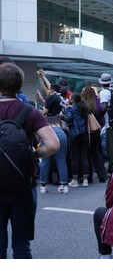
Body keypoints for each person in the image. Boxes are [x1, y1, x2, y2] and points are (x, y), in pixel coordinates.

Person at [0, 61, 60, 259]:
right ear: (20, 84)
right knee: (22, 244)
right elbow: (53, 144)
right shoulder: (30, 112)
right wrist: (32, 154)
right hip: (23, 183)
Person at [81, 86, 108, 183]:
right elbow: (102, 111)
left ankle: (89, 176)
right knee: (97, 152)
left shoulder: (83, 104)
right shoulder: (97, 103)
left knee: (87, 153)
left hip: (87, 131)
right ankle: (102, 174)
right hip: (96, 130)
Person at [39, 116, 70, 194]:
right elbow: (66, 128)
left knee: (45, 161)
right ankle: (64, 185)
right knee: (61, 161)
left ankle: (43, 185)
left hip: (48, 135)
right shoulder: (59, 120)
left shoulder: (45, 120)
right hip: (61, 134)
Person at [65, 92, 90, 187]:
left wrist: (67, 109)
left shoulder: (72, 109)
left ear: (73, 100)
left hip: (75, 135)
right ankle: (85, 179)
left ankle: (75, 179)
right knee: (84, 156)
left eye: (70, 98)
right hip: (85, 135)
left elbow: (68, 119)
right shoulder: (84, 108)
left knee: (74, 158)